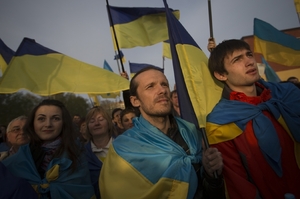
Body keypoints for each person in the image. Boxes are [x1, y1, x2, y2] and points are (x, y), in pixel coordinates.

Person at [100, 66, 225, 199]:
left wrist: (211, 175)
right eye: (150, 87)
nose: (162, 90)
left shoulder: (192, 132)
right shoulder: (122, 149)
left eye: (164, 84)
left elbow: (210, 191)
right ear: (135, 101)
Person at [206, 39, 300, 199]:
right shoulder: (219, 123)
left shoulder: (287, 95)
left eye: (248, 54)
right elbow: (239, 185)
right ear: (221, 75)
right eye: (237, 59)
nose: (249, 61)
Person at [3, 99, 95, 198]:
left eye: (55, 118)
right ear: (33, 123)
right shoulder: (13, 162)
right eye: (41, 119)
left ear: (64, 123)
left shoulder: (78, 153)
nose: (48, 124)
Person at [84, 106, 116, 199]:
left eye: (101, 119)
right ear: (87, 126)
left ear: (109, 123)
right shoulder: (81, 154)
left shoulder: (123, 147)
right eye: (92, 121)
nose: (96, 123)